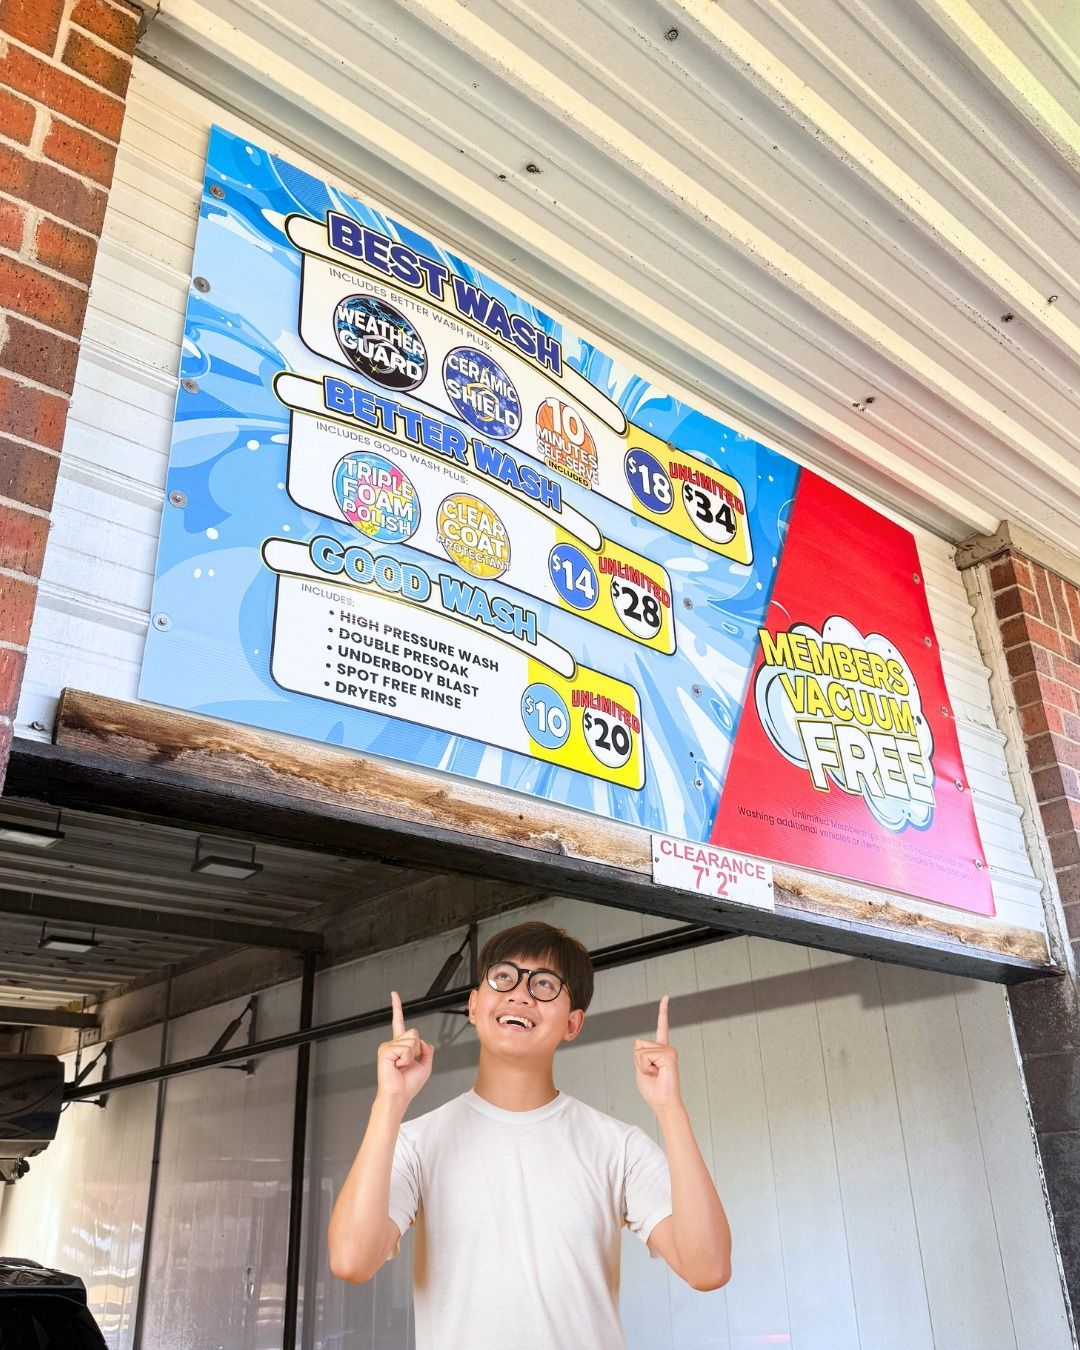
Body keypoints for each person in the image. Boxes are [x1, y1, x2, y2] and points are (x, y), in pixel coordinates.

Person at [327, 920, 731, 1347]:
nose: (520, 993)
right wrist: (388, 1103)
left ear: (573, 1024)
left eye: (544, 985)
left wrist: (671, 1110)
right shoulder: (417, 1142)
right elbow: (353, 1261)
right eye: (503, 977)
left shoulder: (619, 1147)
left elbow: (707, 1269)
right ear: (473, 1004)